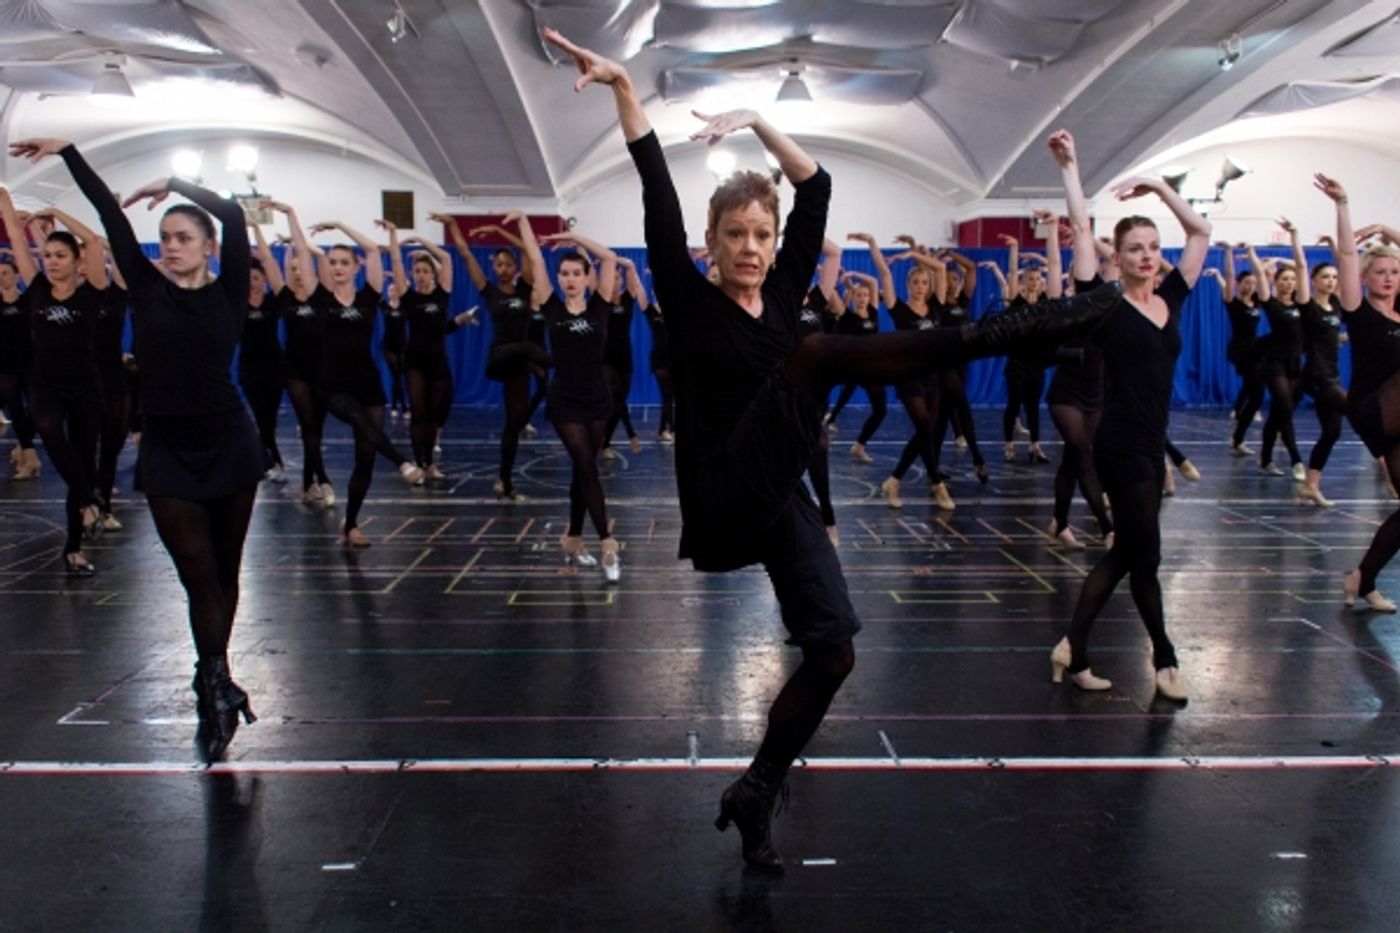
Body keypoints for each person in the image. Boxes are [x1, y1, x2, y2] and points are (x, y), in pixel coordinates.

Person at [545, 28, 1121, 872]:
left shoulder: (783, 293)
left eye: (761, 234)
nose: (751, 248)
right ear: (712, 243)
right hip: (723, 490)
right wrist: (626, 90)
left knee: (835, 650)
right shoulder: (689, 298)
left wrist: (755, 119)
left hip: (780, 491)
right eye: (735, 234)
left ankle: (757, 789)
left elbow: (815, 185)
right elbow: (654, 184)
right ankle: (1021, 330)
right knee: (814, 353)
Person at [14, 135, 269, 757]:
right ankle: (218, 683)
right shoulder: (148, 289)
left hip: (230, 443)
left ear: (208, 247)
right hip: (167, 448)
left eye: (183, 237)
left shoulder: (230, 289)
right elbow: (108, 212)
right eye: (166, 238)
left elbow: (233, 214)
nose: (172, 246)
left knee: (226, 572)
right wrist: (69, 151)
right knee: (197, 571)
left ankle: (213, 681)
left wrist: (176, 185)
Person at [1047, 129, 1210, 702]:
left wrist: (1161, 187)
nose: (1147, 255)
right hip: (1120, 442)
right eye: (1135, 247)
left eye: (1153, 246)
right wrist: (1071, 167)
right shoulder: (1104, 304)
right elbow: (1081, 229)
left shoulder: (1173, 298)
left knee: (1127, 554)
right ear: (1118, 257)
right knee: (1146, 554)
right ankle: (1165, 659)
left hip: (1152, 439)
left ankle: (1073, 648)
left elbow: (1200, 232)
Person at [0, 188, 108, 573]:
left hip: (84, 386)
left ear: (77, 262)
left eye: (60, 255)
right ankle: (89, 501)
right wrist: (5, 199)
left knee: (82, 460)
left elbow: (94, 241)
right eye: (47, 256)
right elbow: (16, 235)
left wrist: (57, 214)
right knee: (48, 429)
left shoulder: (92, 292)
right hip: (45, 383)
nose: (51, 262)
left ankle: (73, 548)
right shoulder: (38, 288)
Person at [301, 217, 425, 545]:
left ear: (356, 267)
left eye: (344, 262)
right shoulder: (320, 296)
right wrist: (292, 219)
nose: (337, 268)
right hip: (332, 384)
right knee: (360, 421)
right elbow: (301, 250)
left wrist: (341, 225)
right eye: (332, 262)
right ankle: (402, 462)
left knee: (366, 455)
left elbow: (372, 249)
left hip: (368, 381)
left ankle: (351, 524)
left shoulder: (369, 296)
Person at [1316, 181, 1400, 610]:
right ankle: (1364, 580)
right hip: (1373, 407)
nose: (1388, 278)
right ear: (1366, 278)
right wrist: (1344, 204)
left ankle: (1363, 579)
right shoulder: (1360, 312)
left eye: (1395, 272)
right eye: (1380, 272)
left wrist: (1387, 229)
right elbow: (1348, 255)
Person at [529, 228, 622, 579]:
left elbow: (609, 258)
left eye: (575, 273)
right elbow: (535, 259)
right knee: (585, 464)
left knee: (582, 470)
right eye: (564, 274)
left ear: (586, 277)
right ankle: (608, 543)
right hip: (565, 400)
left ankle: (573, 538)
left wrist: (574, 236)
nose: (569, 279)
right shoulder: (552, 306)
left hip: (597, 397)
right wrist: (523, 222)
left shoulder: (600, 305)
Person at [435, 213, 549, 498]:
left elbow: (528, 249)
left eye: (508, 264)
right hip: (498, 357)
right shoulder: (489, 292)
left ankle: (504, 481)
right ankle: (556, 361)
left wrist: (500, 229)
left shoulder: (525, 288)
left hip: (518, 364)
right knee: (531, 351)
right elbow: (465, 254)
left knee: (514, 423)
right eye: (499, 264)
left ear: (515, 267)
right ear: (494, 268)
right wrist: (452, 225)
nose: (504, 269)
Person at [385, 221, 472, 478]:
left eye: (425, 271)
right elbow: (396, 261)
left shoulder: (442, 294)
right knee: (419, 413)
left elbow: (446, 258)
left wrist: (422, 241)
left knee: (434, 414)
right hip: (414, 360)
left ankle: (430, 463)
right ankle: (421, 463)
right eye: (417, 271)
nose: (421, 275)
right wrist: (394, 235)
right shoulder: (409, 297)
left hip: (438, 360)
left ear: (433, 273)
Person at [0, 255, 40, 480]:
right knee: (15, 410)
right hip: (5, 367)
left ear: (16, 275)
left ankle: (23, 447)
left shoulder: (28, 302)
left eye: (6, 273)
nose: (1, 278)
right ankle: (30, 457)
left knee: (37, 410)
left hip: (31, 364)